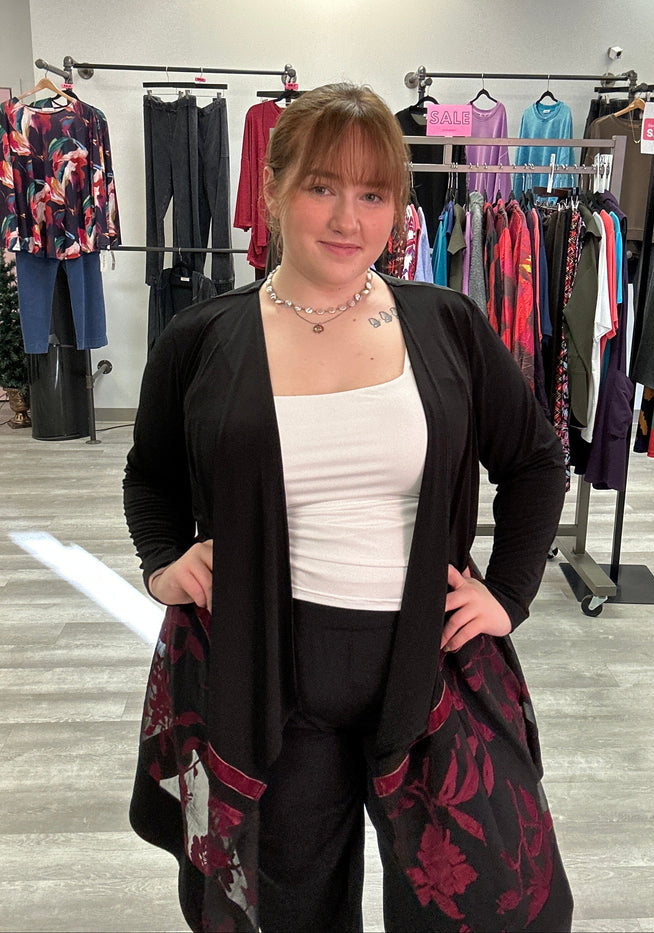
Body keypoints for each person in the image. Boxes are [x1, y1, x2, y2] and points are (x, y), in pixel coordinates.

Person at [124, 82, 574, 933]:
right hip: (264, 673)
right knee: (284, 902)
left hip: (426, 663)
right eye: (323, 186)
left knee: (480, 899)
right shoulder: (203, 337)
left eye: (374, 194)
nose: (347, 217)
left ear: (398, 209)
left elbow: (536, 461)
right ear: (275, 187)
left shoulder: (447, 324)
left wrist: (507, 596)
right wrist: (162, 562)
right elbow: (148, 475)